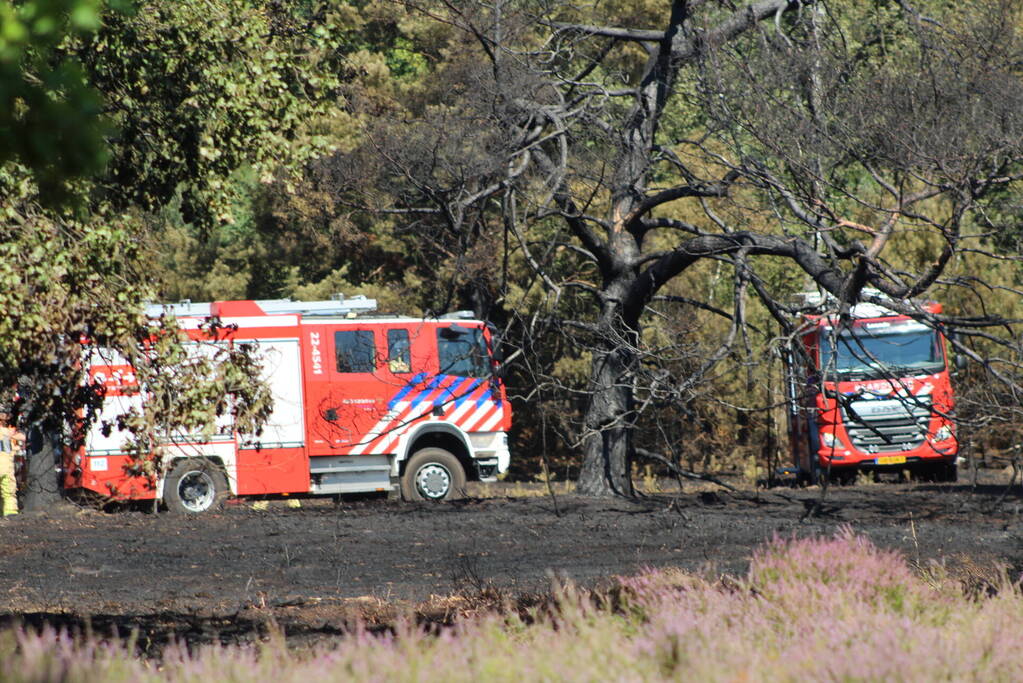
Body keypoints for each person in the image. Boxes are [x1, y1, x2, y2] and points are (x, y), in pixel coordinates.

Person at [0, 409, 24, 517]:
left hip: (6, 466)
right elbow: (22, 437)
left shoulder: (6, 431)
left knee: (8, 490)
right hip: (6, 466)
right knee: (9, 491)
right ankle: (10, 513)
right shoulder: (6, 431)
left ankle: (9, 512)